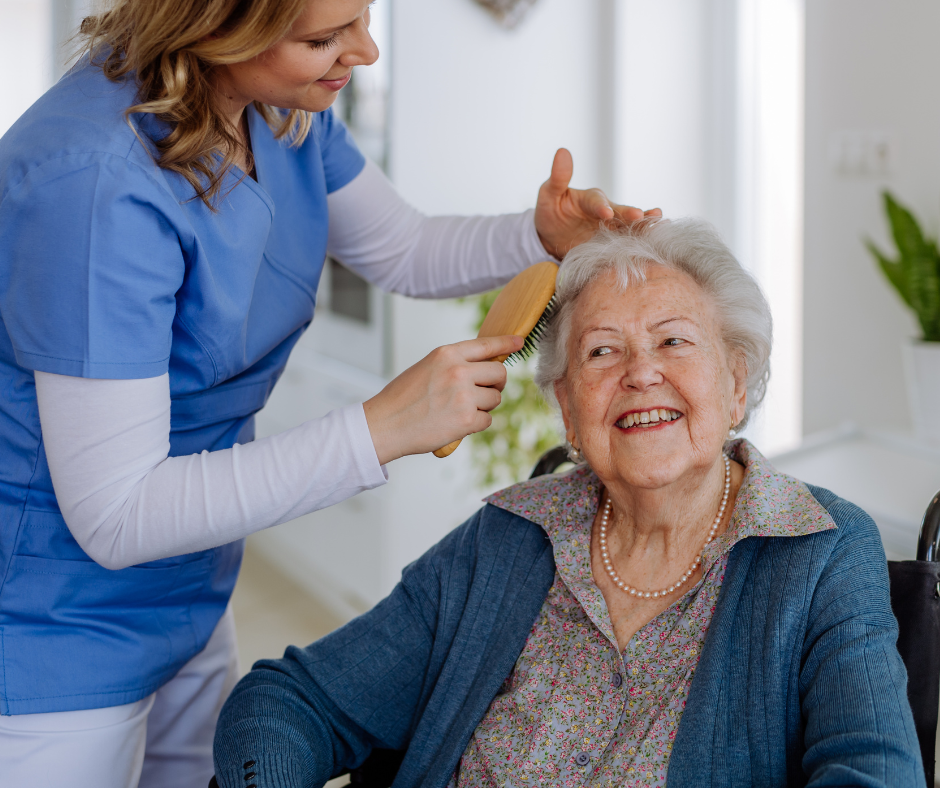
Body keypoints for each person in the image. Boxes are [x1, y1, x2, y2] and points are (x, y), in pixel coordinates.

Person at [0, 0, 659, 785]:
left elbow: (406, 249)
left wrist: (539, 236)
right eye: (323, 38)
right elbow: (116, 514)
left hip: (188, 580)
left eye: (363, 16)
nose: (367, 51)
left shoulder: (273, 111)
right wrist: (380, 429)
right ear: (216, 26)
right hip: (50, 619)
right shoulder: (93, 180)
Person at [213, 219, 924, 788]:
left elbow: (874, 771)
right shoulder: (507, 538)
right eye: (602, 352)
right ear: (568, 409)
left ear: (737, 382)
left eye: (674, 341)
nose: (641, 372)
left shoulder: (823, 550)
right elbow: (292, 700)